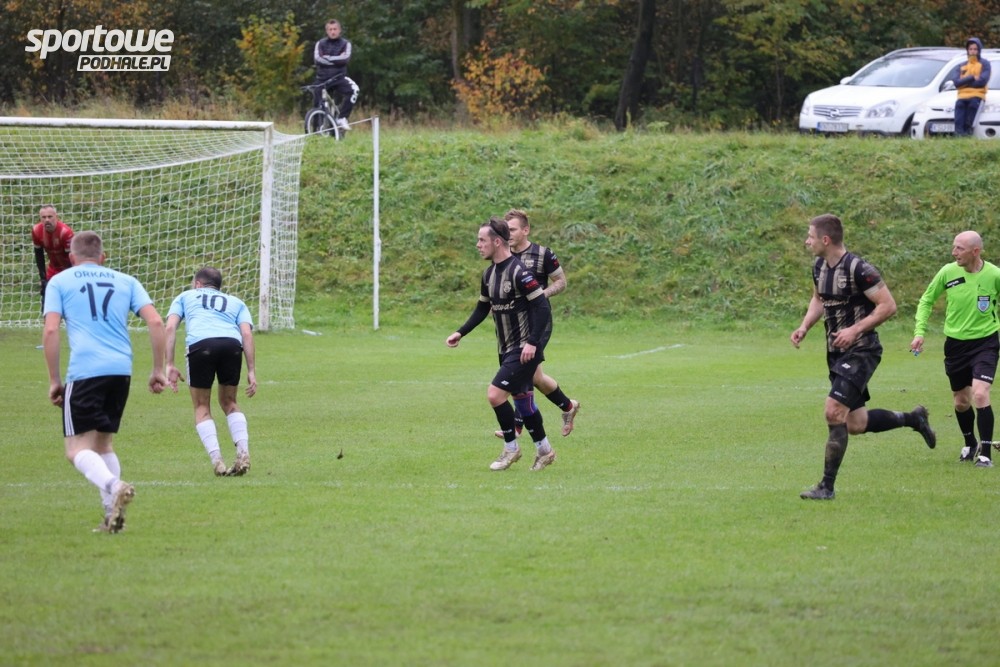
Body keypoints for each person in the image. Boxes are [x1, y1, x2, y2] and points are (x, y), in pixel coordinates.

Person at [790, 214, 936, 500]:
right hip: (836, 352)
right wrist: (804, 326)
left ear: (825, 239)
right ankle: (914, 419)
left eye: (810, 236)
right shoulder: (819, 266)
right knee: (855, 424)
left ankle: (826, 487)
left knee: (833, 411)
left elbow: (888, 305)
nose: (807, 241)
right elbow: (819, 299)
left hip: (862, 349)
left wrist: (855, 329)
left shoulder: (859, 269)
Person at [42, 231, 167, 533]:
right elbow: (155, 321)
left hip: (85, 371)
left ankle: (115, 485)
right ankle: (113, 517)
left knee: (76, 449)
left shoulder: (59, 281)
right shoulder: (126, 281)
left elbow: (51, 330)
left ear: (71, 258)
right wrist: (157, 369)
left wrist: (54, 380)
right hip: (120, 370)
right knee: (103, 444)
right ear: (103, 257)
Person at [446, 217, 557, 471]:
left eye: (482, 240)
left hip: (523, 349)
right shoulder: (489, 274)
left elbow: (541, 306)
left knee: (495, 395)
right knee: (523, 401)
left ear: (497, 242)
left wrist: (532, 342)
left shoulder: (520, 272)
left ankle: (511, 448)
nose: (478, 245)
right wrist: (461, 332)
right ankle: (545, 451)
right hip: (505, 348)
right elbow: (482, 308)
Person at [911, 231, 1000, 467]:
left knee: (980, 393)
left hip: (986, 342)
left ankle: (985, 454)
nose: (954, 253)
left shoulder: (994, 275)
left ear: (975, 251)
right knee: (961, 402)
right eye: (954, 247)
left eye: (959, 248)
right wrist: (919, 332)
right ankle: (970, 443)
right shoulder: (948, 272)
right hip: (955, 345)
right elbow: (926, 300)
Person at [492, 208, 580, 439]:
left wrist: (542, 295)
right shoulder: (502, 255)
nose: (508, 234)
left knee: (522, 369)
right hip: (512, 325)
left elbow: (561, 282)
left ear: (526, 230)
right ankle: (568, 406)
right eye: (506, 230)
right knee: (535, 377)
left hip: (537, 321)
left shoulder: (543, 254)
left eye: (512, 229)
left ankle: (517, 426)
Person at [165, 267, 257, 477]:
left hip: (201, 345)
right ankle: (243, 454)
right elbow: (246, 334)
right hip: (231, 345)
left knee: (201, 406)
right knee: (230, 402)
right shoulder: (236, 302)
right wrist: (251, 370)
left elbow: (169, 328)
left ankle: (218, 462)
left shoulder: (185, 296)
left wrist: (169, 364)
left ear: (198, 284)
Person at [312, 19, 360, 133]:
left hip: (339, 77)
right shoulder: (320, 43)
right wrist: (336, 60)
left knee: (354, 90)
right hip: (322, 78)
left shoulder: (346, 44)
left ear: (339, 30)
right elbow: (317, 59)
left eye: (335, 29)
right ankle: (314, 131)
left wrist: (327, 58)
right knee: (317, 104)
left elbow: (345, 59)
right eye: (330, 29)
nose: (333, 32)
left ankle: (342, 118)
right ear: (326, 31)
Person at [32, 204, 74, 307]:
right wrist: (43, 278)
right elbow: (39, 255)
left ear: (56, 217)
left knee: (69, 300)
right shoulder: (36, 230)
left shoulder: (65, 232)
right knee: (46, 297)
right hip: (53, 269)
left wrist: (70, 277)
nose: (47, 220)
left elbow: (72, 258)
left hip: (68, 269)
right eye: (43, 217)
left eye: (50, 216)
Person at [954, 37, 991, 137]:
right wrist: (972, 77)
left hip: (977, 95)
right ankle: (958, 135)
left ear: (979, 50)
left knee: (972, 107)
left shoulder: (985, 64)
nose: (973, 51)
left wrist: (964, 82)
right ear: (967, 50)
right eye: (970, 49)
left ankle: (968, 134)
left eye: (975, 49)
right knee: (959, 108)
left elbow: (982, 81)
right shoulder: (962, 65)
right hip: (962, 96)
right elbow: (956, 83)